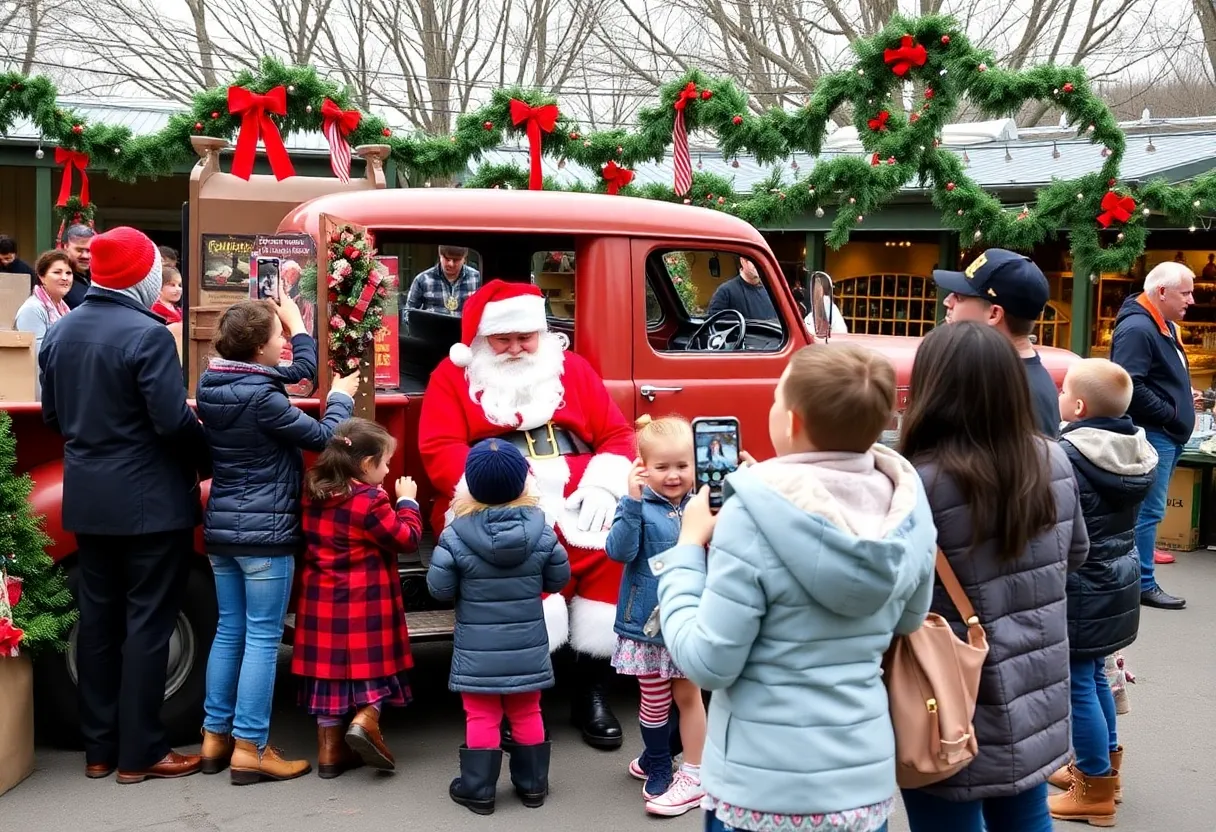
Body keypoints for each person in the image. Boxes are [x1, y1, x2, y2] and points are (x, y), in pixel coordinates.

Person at [651, 343, 938, 832]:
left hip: (761, 789)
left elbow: (708, 662)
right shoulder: (907, 504)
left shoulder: (748, 516)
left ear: (792, 422)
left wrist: (685, 549)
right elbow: (910, 620)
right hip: (859, 784)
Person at [419, 280, 636, 749]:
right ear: (481, 339)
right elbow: (439, 450)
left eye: (526, 337)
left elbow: (618, 437)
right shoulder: (453, 377)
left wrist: (602, 484)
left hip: (576, 494)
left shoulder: (570, 368)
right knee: (510, 562)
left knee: (609, 553)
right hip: (489, 496)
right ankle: (516, 697)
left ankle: (591, 692)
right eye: (503, 339)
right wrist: (506, 487)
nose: (516, 348)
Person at [898, 322, 1089, 832]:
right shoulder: (1053, 459)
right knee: (1025, 812)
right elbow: (1076, 554)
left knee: (948, 814)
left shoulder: (917, 479)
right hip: (1037, 678)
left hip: (951, 687)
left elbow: (892, 590)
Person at [39, 226, 211, 784]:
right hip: (150, 502)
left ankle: (99, 749)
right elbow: (170, 420)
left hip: (88, 496)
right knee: (147, 625)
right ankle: (141, 753)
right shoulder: (149, 335)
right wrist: (207, 453)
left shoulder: (61, 333)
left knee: (98, 622)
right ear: (143, 276)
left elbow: (53, 418)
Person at [195, 295, 358, 785]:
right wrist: (343, 399)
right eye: (278, 337)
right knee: (263, 639)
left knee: (229, 631)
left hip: (223, 530)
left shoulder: (215, 382)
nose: (284, 344)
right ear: (260, 350)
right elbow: (325, 437)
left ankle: (214, 737)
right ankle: (251, 747)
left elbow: (298, 370)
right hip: (265, 534)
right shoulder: (264, 397)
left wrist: (297, 326)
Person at [427, 438, 570, 815]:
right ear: (524, 483)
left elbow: (438, 589)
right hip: (527, 645)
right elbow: (557, 580)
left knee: (482, 714)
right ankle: (533, 786)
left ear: (470, 486)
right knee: (527, 711)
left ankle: (479, 790)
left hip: (477, 649)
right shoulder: (542, 531)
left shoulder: (456, 536)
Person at [1047, 359, 1156, 825]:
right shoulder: (1136, 450)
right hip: (1118, 580)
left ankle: (1092, 787)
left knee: (1078, 685)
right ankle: (1106, 765)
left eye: (1062, 391)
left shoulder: (1069, 455)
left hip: (1082, 584)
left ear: (1078, 405)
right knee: (1094, 676)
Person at [295, 418, 423, 778]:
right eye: (384, 464)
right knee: (371, 674)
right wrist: (408, 502)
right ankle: (366, 719)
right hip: (366, 602)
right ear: (366, 465)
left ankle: (330, 753)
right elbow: (406, 539)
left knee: (329, 678)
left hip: (322, 602)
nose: (386, 472)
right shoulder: (370, 501)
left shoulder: (313, 492)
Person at [606, 415, 709, 817]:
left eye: (682, 466)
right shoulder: (635, 505)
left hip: (689, 618)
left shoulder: (704, 502)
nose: (673, 475)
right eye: (662, 467)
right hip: (646, 623)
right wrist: (631, 502)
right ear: (642, 467)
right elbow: (620, 551)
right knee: (653, 701)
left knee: (689, 695)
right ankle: (658, 760)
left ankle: (694, 771)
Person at [1110, 261, 1198, 610]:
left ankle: (1139, 581)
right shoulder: (1138, 328)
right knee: (1147, 512)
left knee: (1148, 512)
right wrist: (1172, 412)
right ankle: (1143, 584)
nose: (1191, 299)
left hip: (1165, 434)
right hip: (1156, 435)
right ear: (1161, 292)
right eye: (1186, 292)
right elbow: (1131, 385)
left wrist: (1179, 396)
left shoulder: (1161, 325)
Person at [933, 249, 1059, 438]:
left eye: (959, 296)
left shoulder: (1010, 392)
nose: (947, 302)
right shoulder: (1011, 378)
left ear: (994, 314)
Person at [15, 251, 74, 400]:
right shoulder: (33, 309)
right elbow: (37, 359)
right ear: (42, 277)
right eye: (57, 272)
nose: (65, 278)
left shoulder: (63, 308)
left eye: (69, 273)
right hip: (41, 396)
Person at [404, 245, 481, 318]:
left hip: (466, 330)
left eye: (456, 260)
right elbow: (408, 313)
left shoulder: (477, 278)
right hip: (432, 330)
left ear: (464, 258)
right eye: (447, 259)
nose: (451, 264)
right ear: (440, 254)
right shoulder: (422, 279)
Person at [705, 256, 777, 321]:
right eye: (753, 260)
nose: (758, 264)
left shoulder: (773, 291)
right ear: (742, 261)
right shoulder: (725, 292)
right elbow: (712, 325)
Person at [60, 224, 94, 309]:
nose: (85, 256)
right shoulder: (57, 280)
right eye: (79, 250)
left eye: (89, 250)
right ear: (65, 247)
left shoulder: (99, 279)